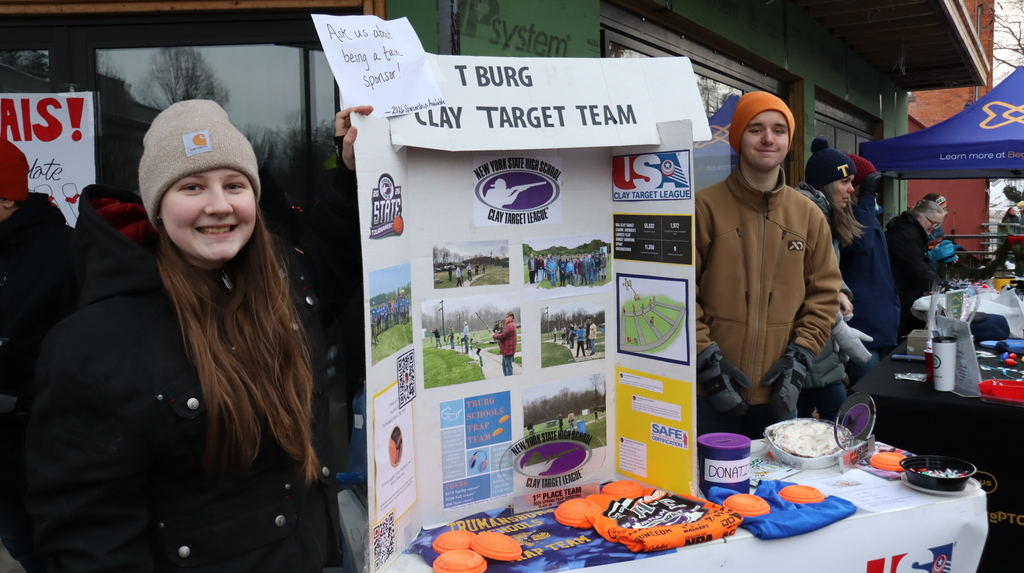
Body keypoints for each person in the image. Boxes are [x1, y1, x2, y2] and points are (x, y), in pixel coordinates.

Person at [25, 100, 369, 571]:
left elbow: (330, 253)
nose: (219, 205)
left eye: (234, 185)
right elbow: (88, 537)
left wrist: (353, 171)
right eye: (191, 187)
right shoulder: (93, 347)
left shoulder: (283, 281)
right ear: (157, 209)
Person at [694, 92, 842, 439]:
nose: (768, 139)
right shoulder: (704, 207)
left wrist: (800, 358)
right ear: (738, 138)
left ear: (789, 142)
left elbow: (824, 294)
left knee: (772, 490)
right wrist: (707, 363)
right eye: (755, 129)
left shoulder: (808, 215)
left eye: (778, 130)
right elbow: (680, 296)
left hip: (779, 393)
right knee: (705, 488)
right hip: (707, 394)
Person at [0, 138, 77, 573]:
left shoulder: (65, 253)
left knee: (52, 556)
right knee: (25, 551)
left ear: (8, 197)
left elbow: (86, 357)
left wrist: (21, 400)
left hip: (41, 455)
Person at [794, 138, 874, 421]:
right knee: (841, 418)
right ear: (827, 184)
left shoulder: (825, 213)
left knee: (802, 415)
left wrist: (841, 291)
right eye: (846, 181)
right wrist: (837, 320)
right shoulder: (805, 213)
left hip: (817, 332)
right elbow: (803, 275)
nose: (852, 189)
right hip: (808, 333)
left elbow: (826, 269)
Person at [840, 155, 901, 384]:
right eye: (869, 187)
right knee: (866, 393)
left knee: (881, 391)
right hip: (862, 323)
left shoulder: (868, 216)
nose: (874, 193)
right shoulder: (849, 216)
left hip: (883, 322)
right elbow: (860, 245)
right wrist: (865, 200)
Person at [886, 200, 948, 337]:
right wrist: (939, 285)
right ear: (920, 217)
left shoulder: (913, 231)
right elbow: (915, 266)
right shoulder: (905, 233)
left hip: (904, 290)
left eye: (939, 224)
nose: (935, 227)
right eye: (934, 223)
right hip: (897, 292)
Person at [492, 311, 517, 376]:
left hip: (508, 350)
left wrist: (494, 336)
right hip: (507, 350)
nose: (506, 318)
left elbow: (502, 335)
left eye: (507, 317)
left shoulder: (509, 326)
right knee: (505, 366)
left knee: (508, 367)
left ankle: (509, 382)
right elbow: (504, 336)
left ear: (511, 317)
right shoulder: (511, 324)